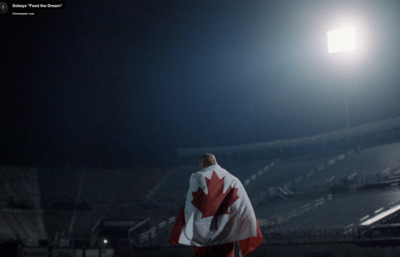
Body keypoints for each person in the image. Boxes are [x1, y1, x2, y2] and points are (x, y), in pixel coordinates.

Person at [169, 154, 263, 257]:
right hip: (225, 236)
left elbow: (190, 206)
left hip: (204, 238)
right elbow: (242, 206)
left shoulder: (198, 177)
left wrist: (181, 226)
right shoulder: (233, 180)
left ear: (203, 164)